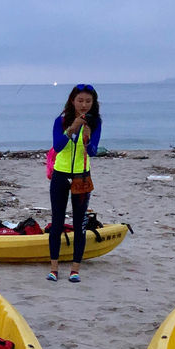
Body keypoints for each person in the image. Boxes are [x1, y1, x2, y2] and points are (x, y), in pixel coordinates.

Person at [47, 83, 102, 282]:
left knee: (79, 223)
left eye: (88, 101)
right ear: (73, 101)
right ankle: (54, 268)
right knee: (57, 222)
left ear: (93, 102)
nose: (84, 105)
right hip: (60, 175)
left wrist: (88, 140)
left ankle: (75, 269)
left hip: (81, 176)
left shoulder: (95, 122)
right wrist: (72, 128)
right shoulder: (60, 121)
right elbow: (58, 146)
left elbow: (94, 151)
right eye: (80, 100)